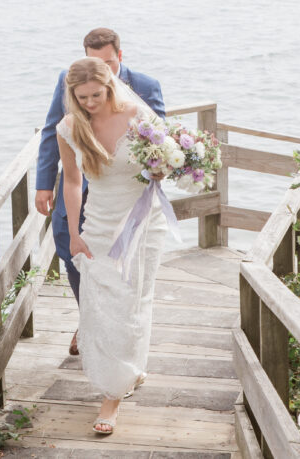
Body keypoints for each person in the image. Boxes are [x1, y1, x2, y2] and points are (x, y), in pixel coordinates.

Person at [56, 56, 171, 435]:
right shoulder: (70, 127)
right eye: (82, 96)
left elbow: (165, 162)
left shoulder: (139, 116)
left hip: (142, 221)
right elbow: (72, 182)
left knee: (135, 299)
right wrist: (74, 232)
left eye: (96, 94)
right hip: (100, 223)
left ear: (110, 85)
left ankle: (114, 394)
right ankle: (122, 376)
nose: (90, 102)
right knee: (104, 304)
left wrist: (161, 169)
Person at [35, 28, 164, 356]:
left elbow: (161, 145)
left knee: (129, 281)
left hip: (130, 198)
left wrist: (159, 171)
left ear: (119, 57)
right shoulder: (70, 83)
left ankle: (118, 339)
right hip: (82, 191)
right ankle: (90, 319)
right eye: (92, 62)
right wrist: (43, 184)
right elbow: (54, 131)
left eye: (106, 63)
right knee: (75, 258)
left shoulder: (146, 88)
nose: (98, 72)